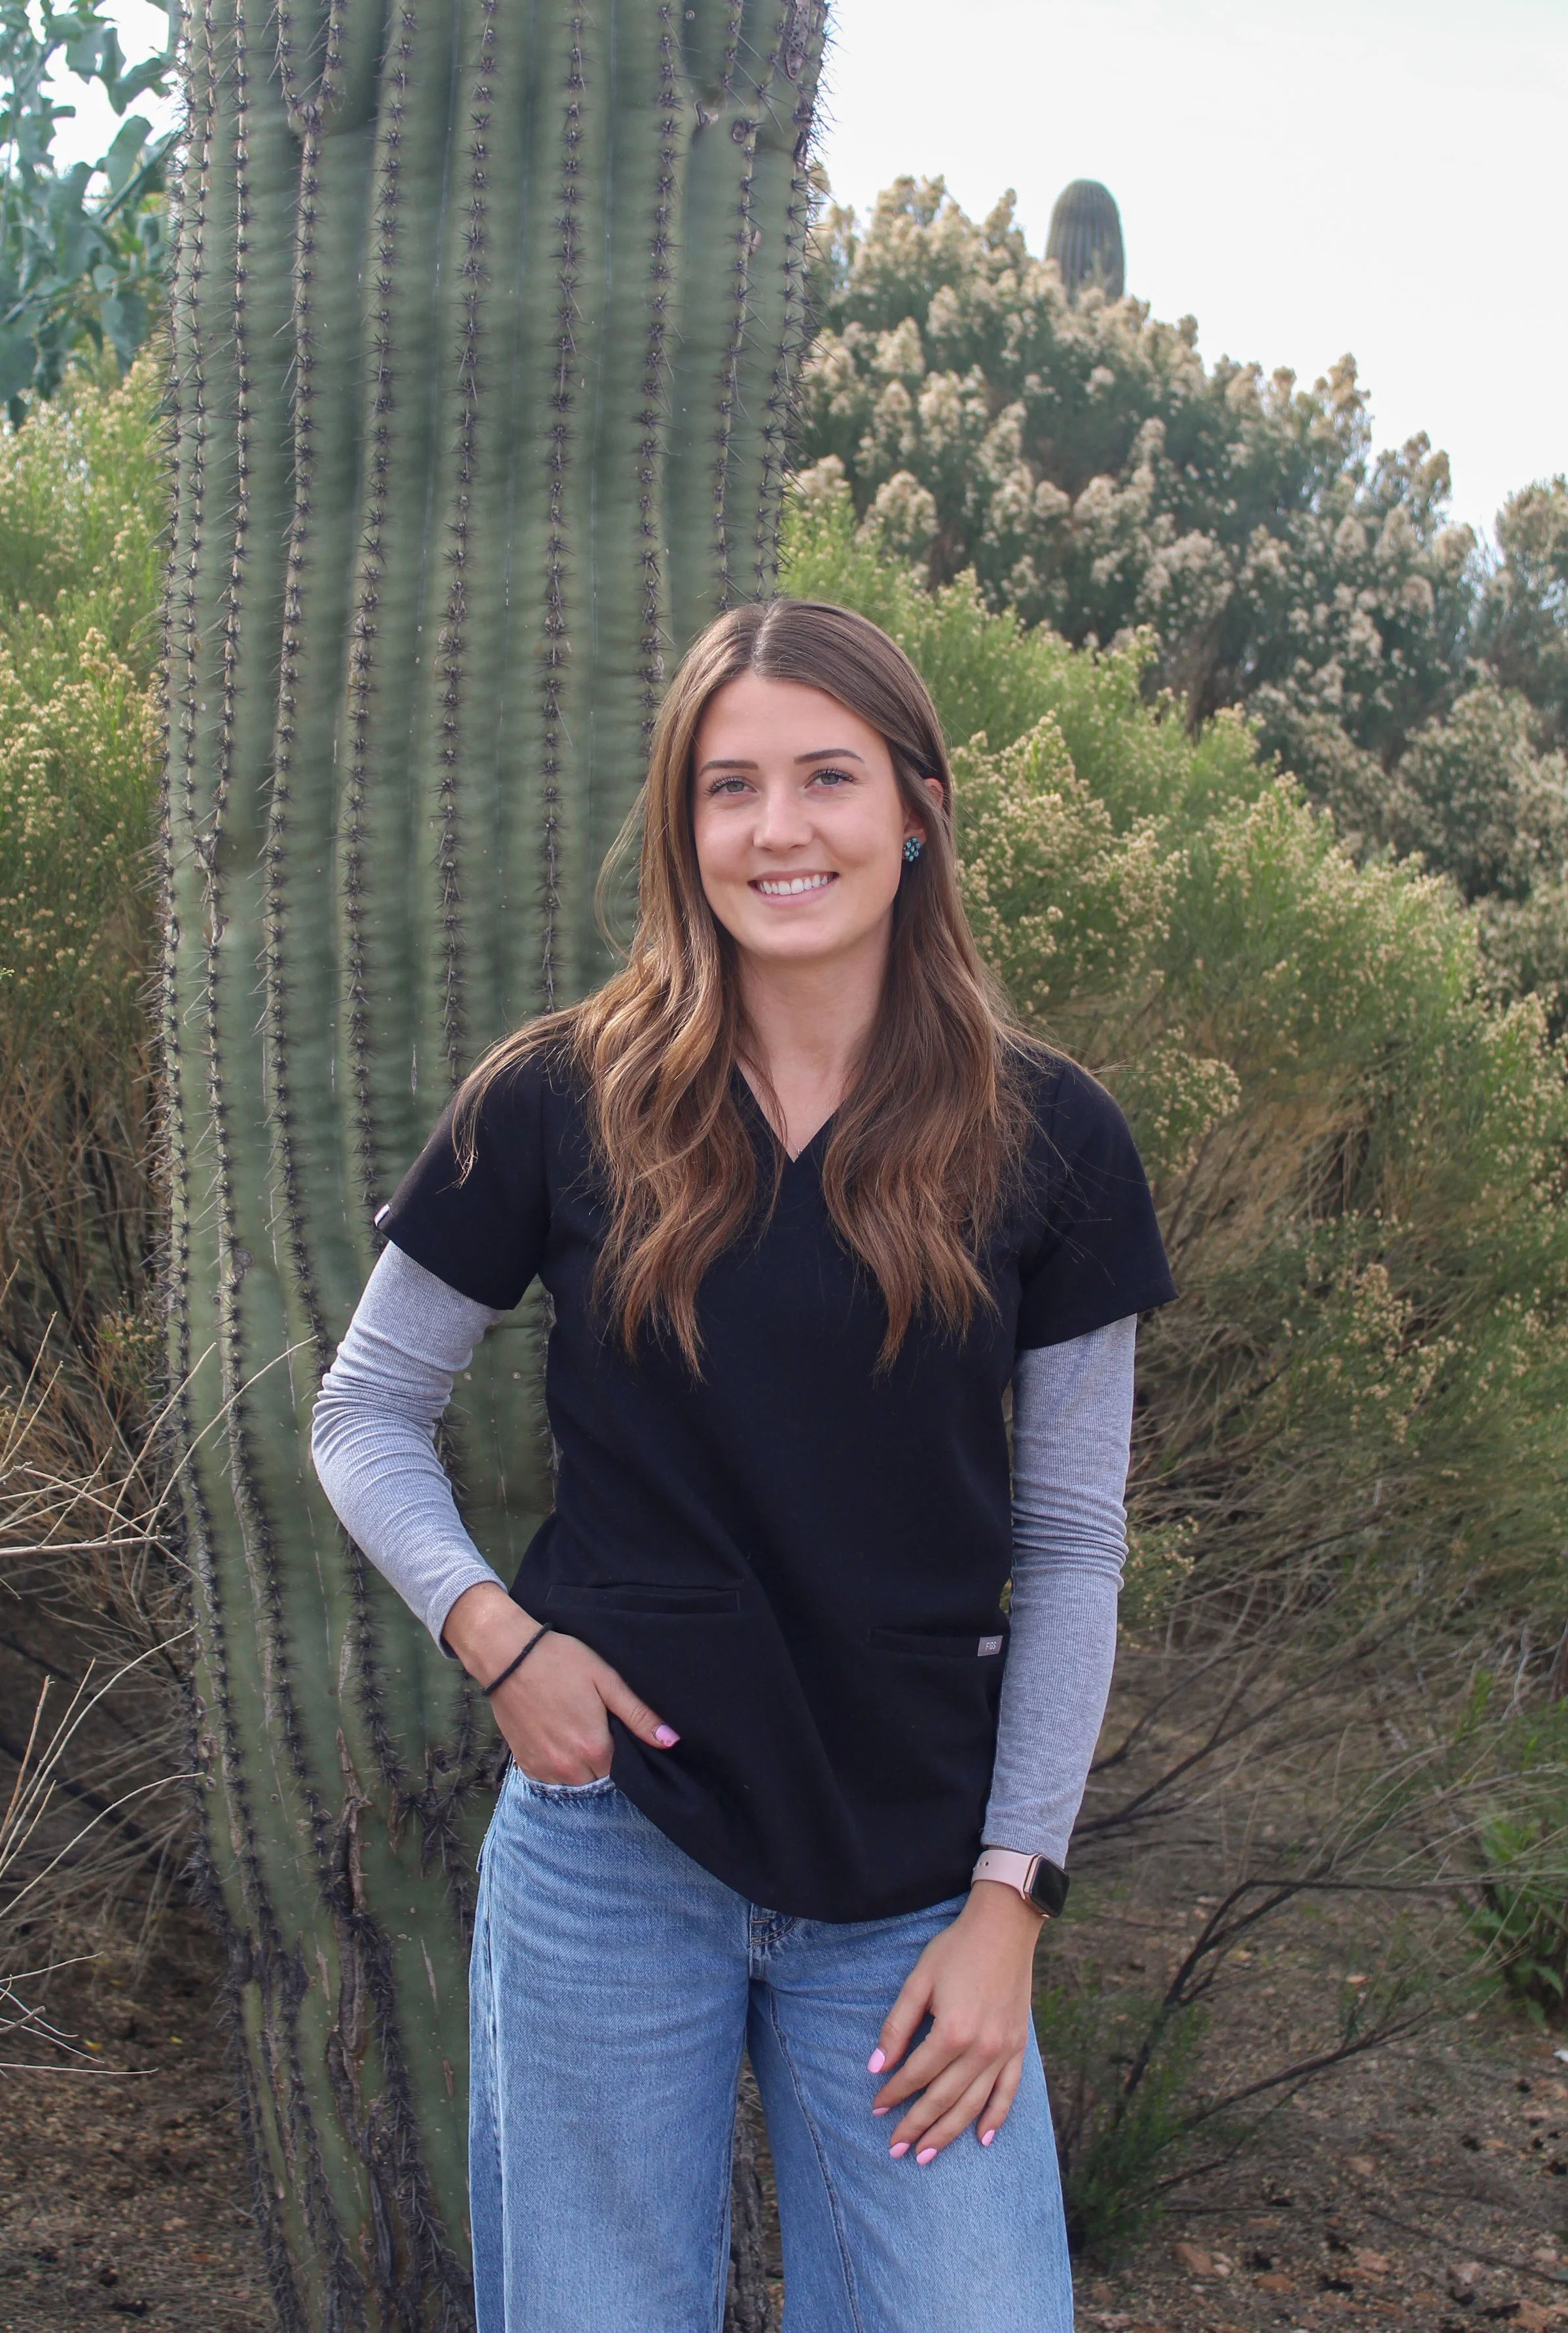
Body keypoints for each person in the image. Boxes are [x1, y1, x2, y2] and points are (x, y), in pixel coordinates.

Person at [312, 598, 1175, 2333]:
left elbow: (1073, 1544)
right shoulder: (558, 1100)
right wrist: (499, 1637)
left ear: (916, 806)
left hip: (917, 1887)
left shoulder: (1051, 1137)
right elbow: (361, 1416)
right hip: (610, 1859)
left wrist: (1011, 1901)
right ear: (680, 825)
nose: (777, 830)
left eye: (826, 778)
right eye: (728, 788)